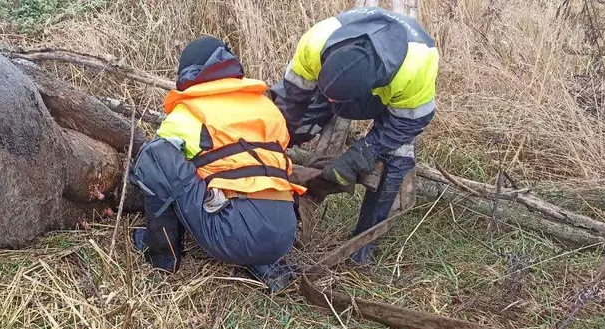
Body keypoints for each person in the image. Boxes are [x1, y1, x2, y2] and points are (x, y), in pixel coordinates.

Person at [130, 35, 307, 293]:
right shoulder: (266, 107)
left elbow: (164, 173)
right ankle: (266, 264)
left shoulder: (188, 113)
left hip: (232, 234)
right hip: (284, 232)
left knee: (155, 156)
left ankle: (163, 256)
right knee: (247, 175)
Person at [270, 6, 439, 263]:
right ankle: (277, 200)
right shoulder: (316, 42)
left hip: (392, 108)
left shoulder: (416, 65)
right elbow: (292, 97)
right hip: (332, 87)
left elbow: (405, 124)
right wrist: (278, 139)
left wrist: (362, 153)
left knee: (395, 163)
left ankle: (360, 249)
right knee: (282, 125)